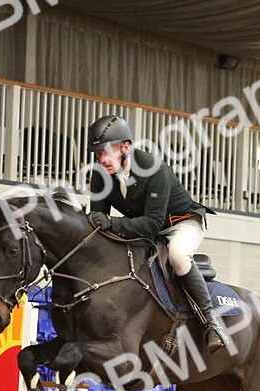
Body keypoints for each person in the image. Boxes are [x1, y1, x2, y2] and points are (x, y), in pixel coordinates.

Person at [86, 114, 226, 353]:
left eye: (106, 152)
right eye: (98, 154)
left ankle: (211, 323)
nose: (102, 159)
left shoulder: (153, 169)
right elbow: (100, 222)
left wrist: (111, 222)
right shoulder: (100, 175)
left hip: (180, 223)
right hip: (146, 230)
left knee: (178, 256)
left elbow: (151, 223)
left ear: (125, 147)